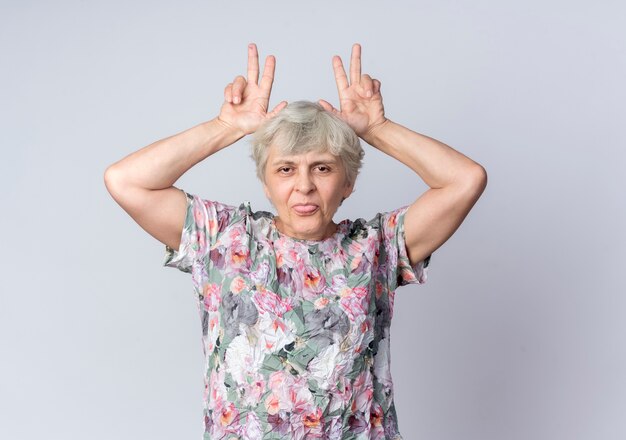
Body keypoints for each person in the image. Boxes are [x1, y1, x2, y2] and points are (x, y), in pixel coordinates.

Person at [104, 42, 487, 440]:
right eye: (286, 169)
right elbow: (126, 181)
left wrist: (377, 129)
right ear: (266, 184)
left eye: (322, 168)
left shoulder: (376, 246)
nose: (304, 186)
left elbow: (465, 180)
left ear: (348, 183)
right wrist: (225, 128)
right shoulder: (225, 238)